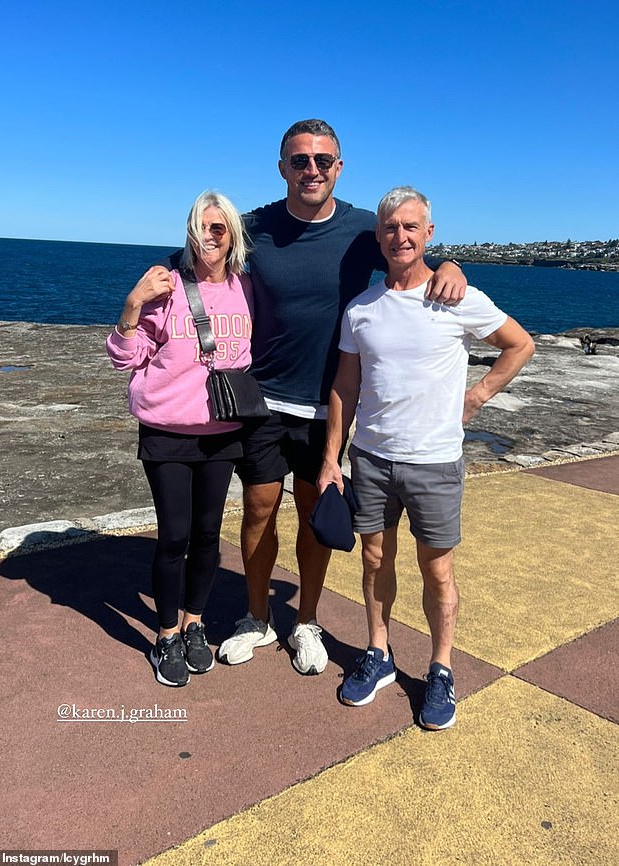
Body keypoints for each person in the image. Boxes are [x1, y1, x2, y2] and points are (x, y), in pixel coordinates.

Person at [160, 120, 467, 676]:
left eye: (323, 161)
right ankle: (256, 617)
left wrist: (450, 266)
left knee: (313, 514)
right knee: (257, 509)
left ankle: (305, 620)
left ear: (339, 168)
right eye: (300, 161)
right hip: (262, 400)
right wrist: (142, 297)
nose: (312, 170)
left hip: (327, 405)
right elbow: (194, 259)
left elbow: (410, 258)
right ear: (282, 168)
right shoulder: (253, 227)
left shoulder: (358, 230)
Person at [317, 186, 535, 728]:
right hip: (371, 456)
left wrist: (477, 395)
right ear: (379, 237)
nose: (401, 236)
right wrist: (330, 457)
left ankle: (440, 668)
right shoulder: (361, 308)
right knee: (373, 561)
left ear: (429, 234)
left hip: (434, 460)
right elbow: (346, 383)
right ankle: (379, 652)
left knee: (436, 571)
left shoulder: (458, 297)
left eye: (412, 227)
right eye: (391, 228)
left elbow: (520, 345)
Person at [106, 191, 253, 687]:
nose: (208, 236)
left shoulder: (246, 288)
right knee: (173, 537)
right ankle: (166, 635)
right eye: (200, 226)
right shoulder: (166, 287)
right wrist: (133, 302)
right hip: (167, 430)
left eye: (218, 227)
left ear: (232, 234)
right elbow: (126, 358)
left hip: (223, 431)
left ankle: (195, 623)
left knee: (209, 535)